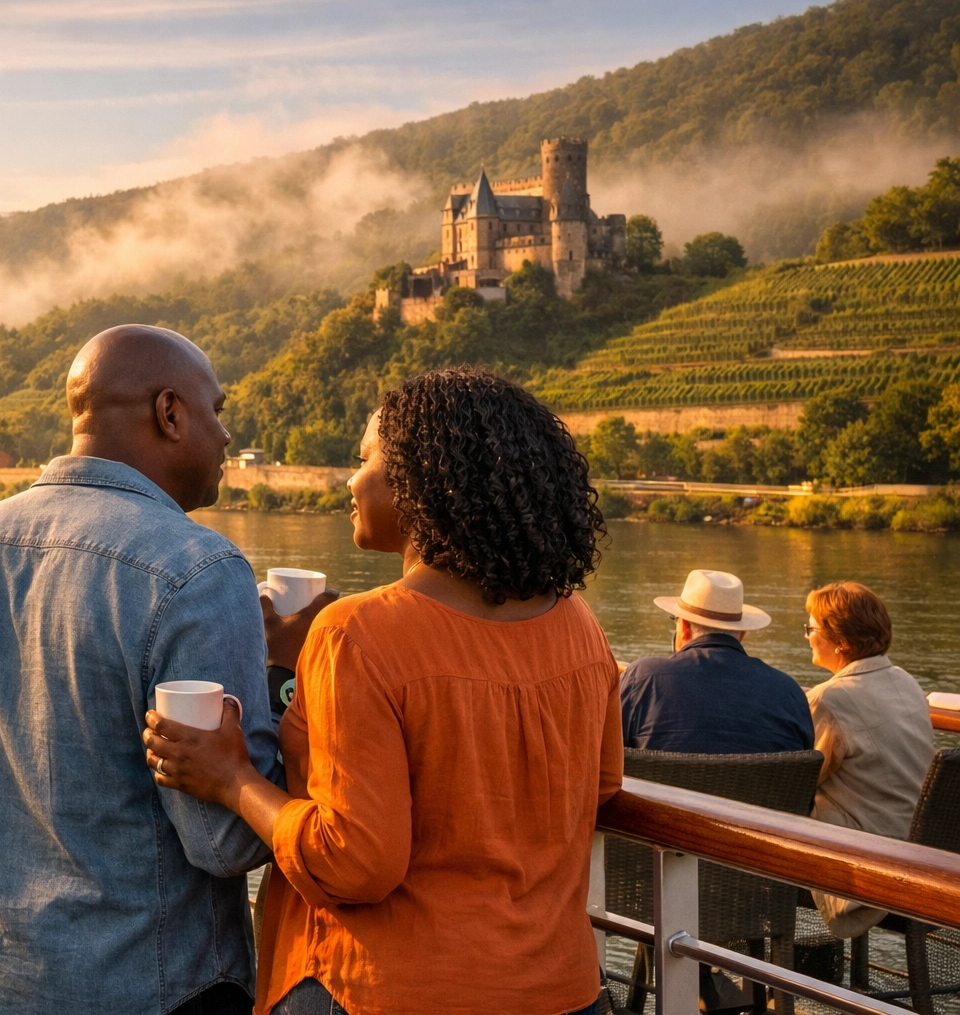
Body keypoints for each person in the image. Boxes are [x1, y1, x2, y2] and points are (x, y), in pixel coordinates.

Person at [145, 367, 623, 1015]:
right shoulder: (579, 626)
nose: (350, 480)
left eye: (364, 458)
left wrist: (231, 778)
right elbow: (597, 789)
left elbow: (353, 864)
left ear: (420, 478)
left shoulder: (357, 633)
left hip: (386, 989)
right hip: (561, 989)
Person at [0, 325, 310, 1015]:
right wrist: (292, 677)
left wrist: (10, 849)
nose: (227, 437)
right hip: (151, 985)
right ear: (170, 413)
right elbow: (221, 842)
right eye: (217, 410)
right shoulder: (198, 571)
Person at [804, 581, 934, 938]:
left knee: (752, 867)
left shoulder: (829, 699)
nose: (807, 637)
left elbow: (796, 780)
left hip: (870, 869)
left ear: (841, 641)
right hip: (922, 856)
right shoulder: (906, 682)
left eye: (811, 628)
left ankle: (767, 979)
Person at [621, 569, 813, 753]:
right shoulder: (790, 693)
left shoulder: (643, 679)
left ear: (685, 628)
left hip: (656, 788)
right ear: (742, 634)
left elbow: (607, 752)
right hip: (759, 788)